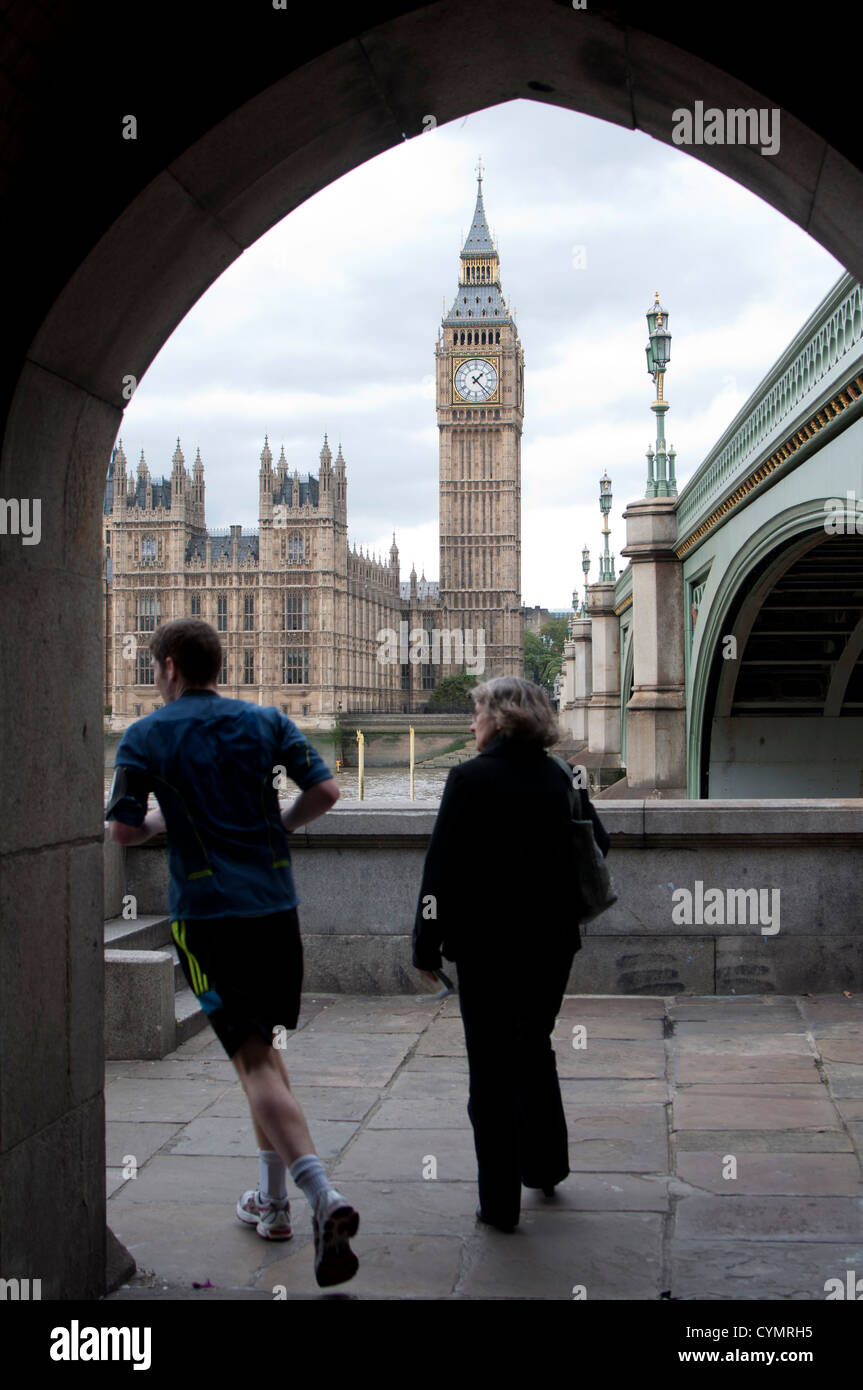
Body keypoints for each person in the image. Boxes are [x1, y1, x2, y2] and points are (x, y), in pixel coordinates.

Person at [105, 618, 359, 1287]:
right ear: (219, 664)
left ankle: (320, 1196)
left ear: (165, 667)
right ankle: (271, 1204)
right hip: (276, 910)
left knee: (251, 1060)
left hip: (209, 915)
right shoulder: (268, 721)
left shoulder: (145, 735)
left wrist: (165, 819)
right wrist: (274, 826)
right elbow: (327, 793)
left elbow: (123, 832)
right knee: (266, 1057)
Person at [412, 675, 610, 1232]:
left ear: (498, 719)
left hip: (487, 947)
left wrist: (425, 944)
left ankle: (498, 1205)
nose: (470, 722)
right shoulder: (564, 773)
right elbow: (599, 843)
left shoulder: (469, 779)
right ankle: (546, 1167)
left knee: (491, 1074)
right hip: (551, 943)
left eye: (476, 712)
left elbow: (440, 870)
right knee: (534, 1047)